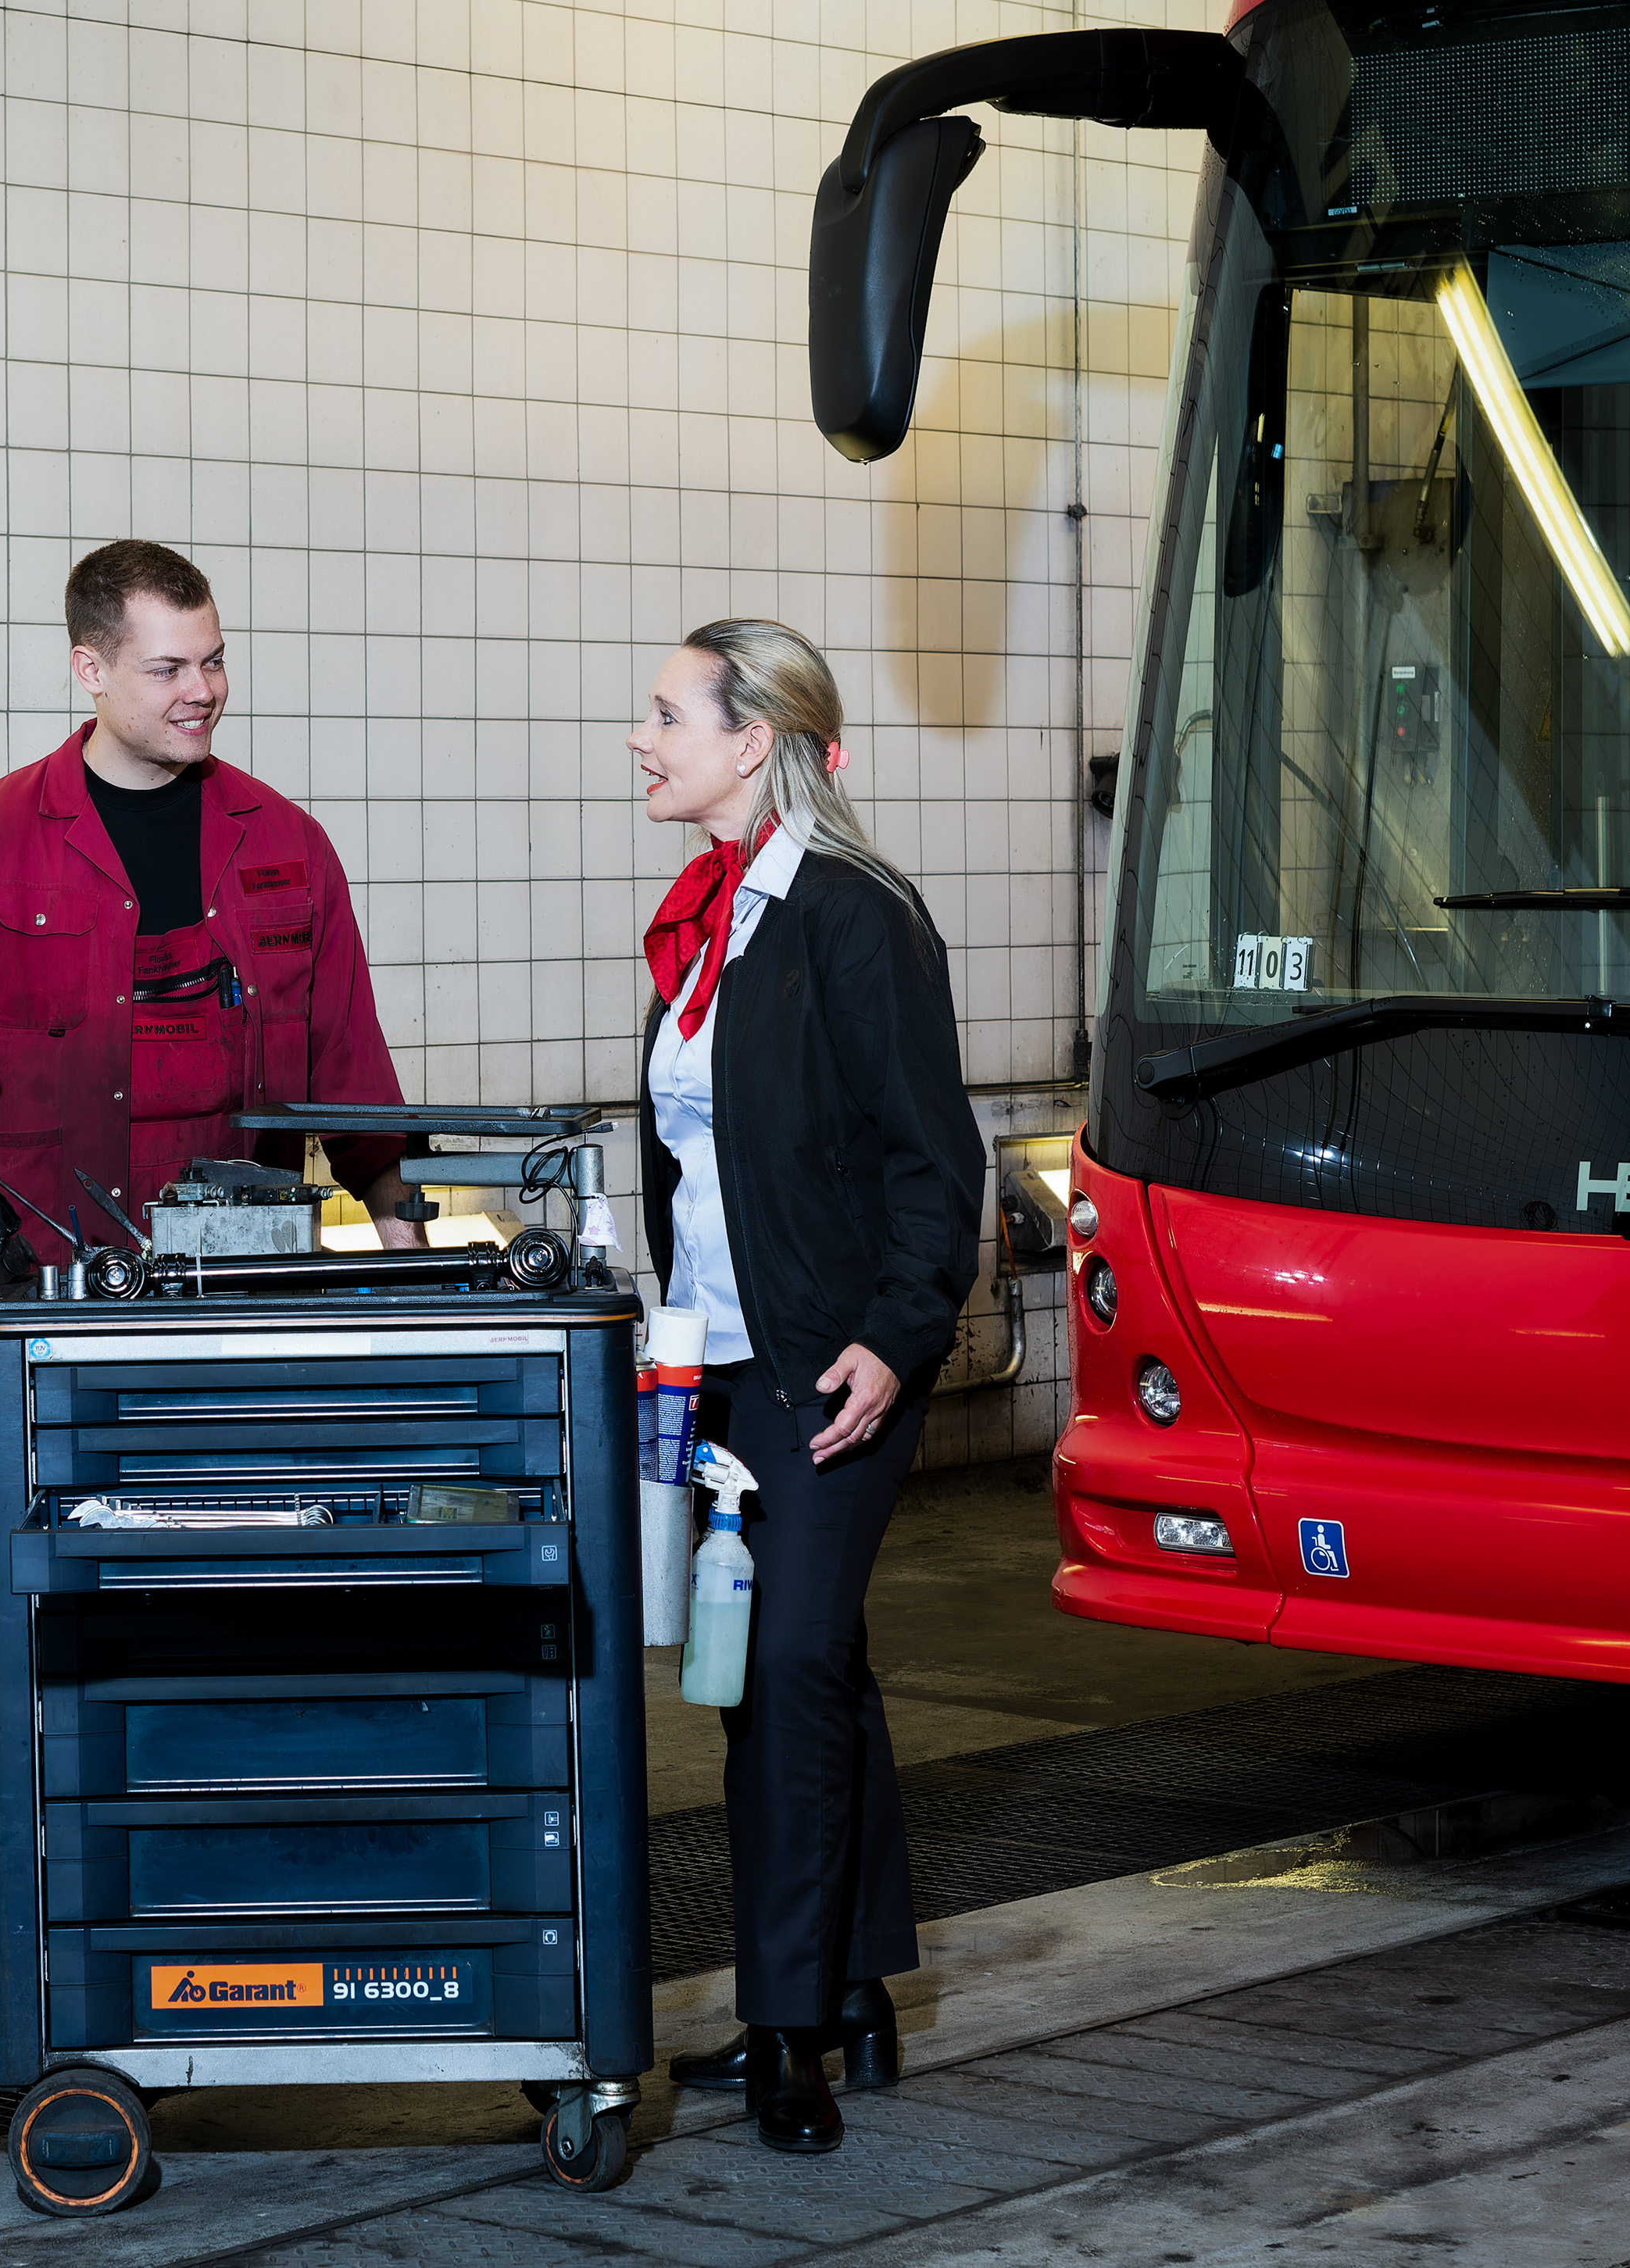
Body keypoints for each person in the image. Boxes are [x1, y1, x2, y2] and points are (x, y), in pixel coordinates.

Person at [630, 619, 978, 2155]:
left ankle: (786, 2034)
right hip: (707, 1359)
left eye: (664, 715)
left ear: (750, 736)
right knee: (797, 1664)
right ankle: (849, 1985)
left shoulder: (853, 916)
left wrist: (900, 1335)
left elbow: (933, 1154)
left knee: (781, 1678)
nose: (641, 739)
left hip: (828, 1364)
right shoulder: (709, 920)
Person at [0, 539, 424, 1247]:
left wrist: (413, 1261)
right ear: (92, 669)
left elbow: (354, 1082)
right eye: (167, 669)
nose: (201, 689)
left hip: (250, 1278)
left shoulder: (288, 844)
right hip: (53, 1281)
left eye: (214, 660)